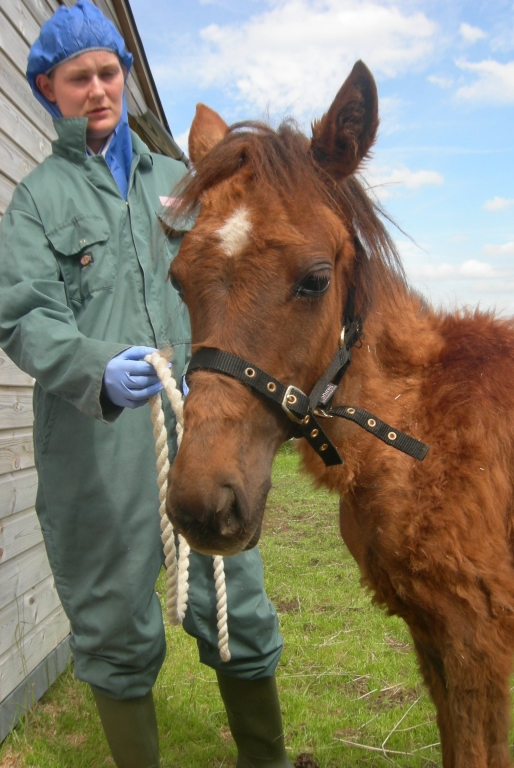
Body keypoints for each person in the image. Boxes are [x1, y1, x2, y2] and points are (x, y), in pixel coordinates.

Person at [0, 2, 293, 766]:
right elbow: (25, 316)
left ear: (124, 78)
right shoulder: (37, 202)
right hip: (95, 440)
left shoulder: (183, 183)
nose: (97, 89)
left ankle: (266, 759)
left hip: (201, 425)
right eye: (78, 78)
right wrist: (95, 367)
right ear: (46, 90)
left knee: (240, 608)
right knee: (114, 627)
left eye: (108, 72)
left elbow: (240, 264)